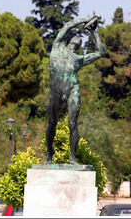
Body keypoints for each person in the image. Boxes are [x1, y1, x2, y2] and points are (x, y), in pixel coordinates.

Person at [45, 16, 104, 164]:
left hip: (72, 90)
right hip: (55, 91)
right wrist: (85, 20)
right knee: (52, 123)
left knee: (72, 123)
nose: (79, 39)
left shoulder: (78, 59)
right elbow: (67, 26)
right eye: (76, 38)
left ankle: (72, 158)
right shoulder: (57, 46)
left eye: (81, 40)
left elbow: (99, 53)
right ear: (70, 40)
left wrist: (95, 32)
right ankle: (49, 156)